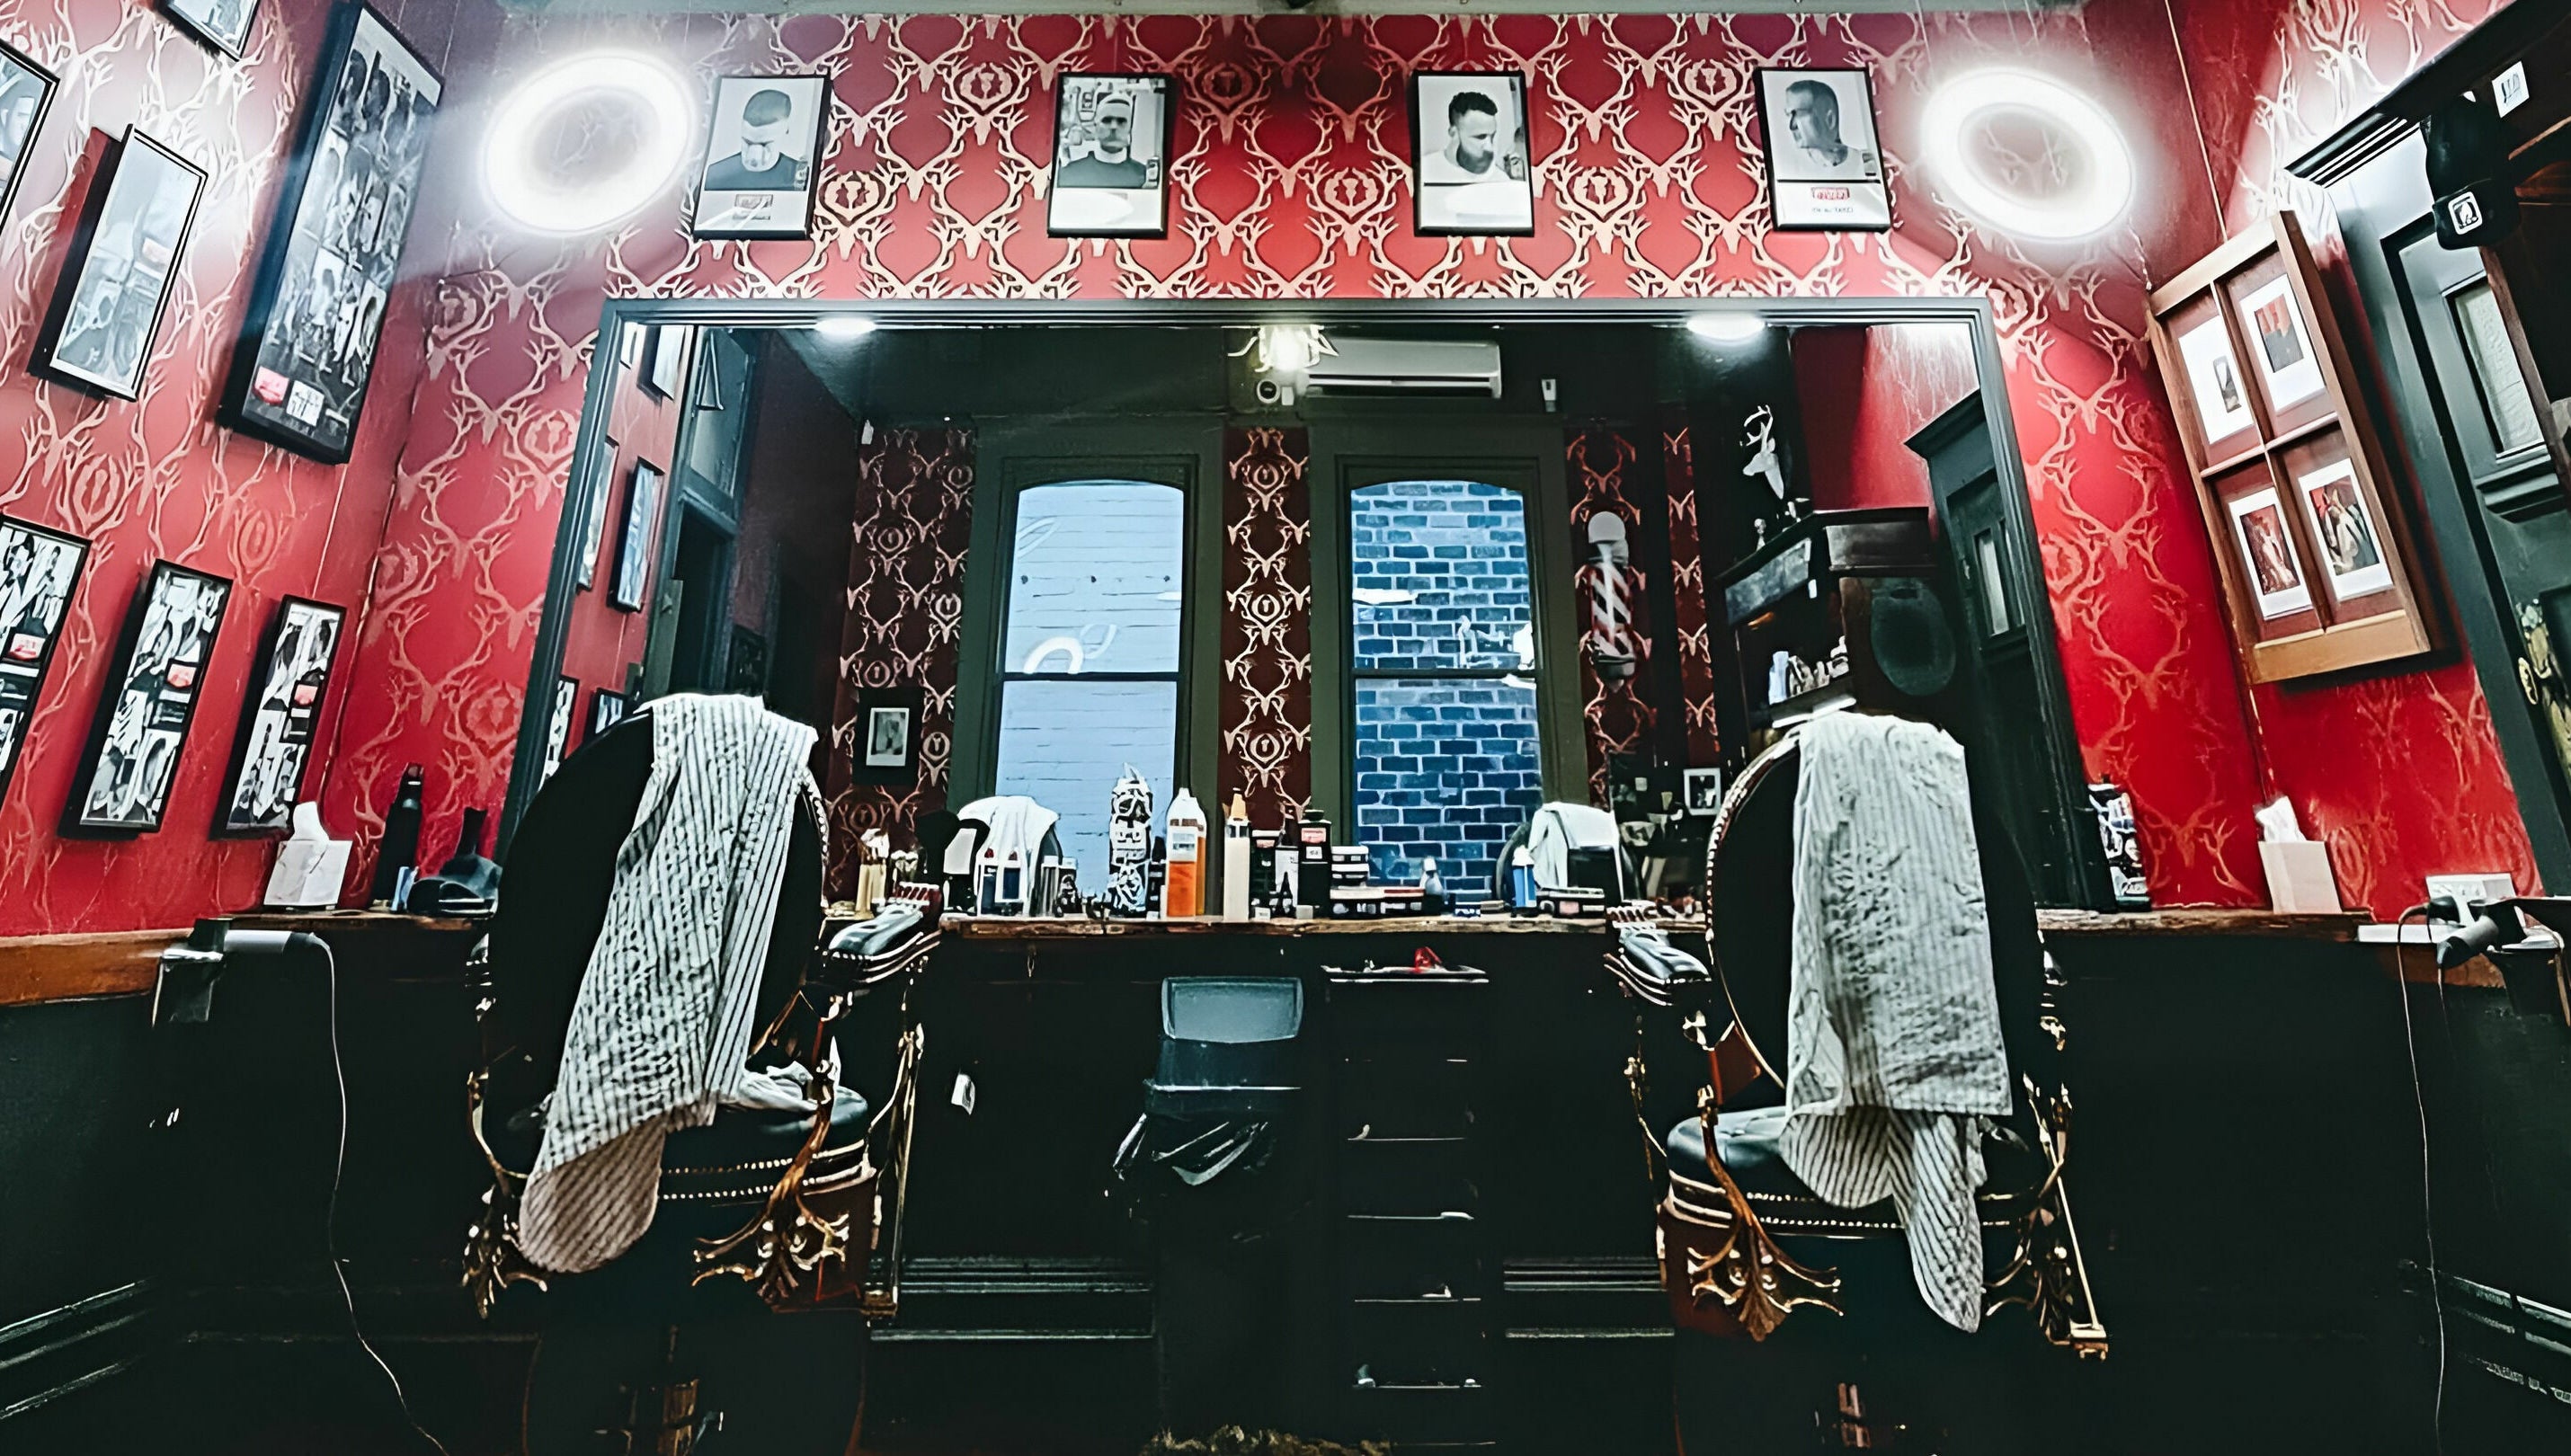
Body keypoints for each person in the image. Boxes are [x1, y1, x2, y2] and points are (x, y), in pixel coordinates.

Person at [705, 88, 807, 192]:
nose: (754, 159)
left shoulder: (800, 176)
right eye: (747, 142)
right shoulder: (715, 175)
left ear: (786, 129)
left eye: (765, 144)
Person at [1779, 77, 1877, 180]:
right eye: (1789, 114)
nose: (1792, 126)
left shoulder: (1865, 164)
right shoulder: (1789, 169)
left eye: (1800, 114)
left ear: (1830, 119)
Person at [1420, 88, 1520, 185]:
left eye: (1492, 137)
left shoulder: (1500, 181)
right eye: (1480, 137)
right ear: (1454, 133)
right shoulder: (1424, 170)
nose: (1490, 148)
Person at [1056, 93, 1148, 189]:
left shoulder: (1144, 177)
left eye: (1121, 121)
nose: (1114, 127)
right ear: (1096, 126)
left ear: (1130, 127)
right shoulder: (1069, 175)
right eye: (1107, 120)